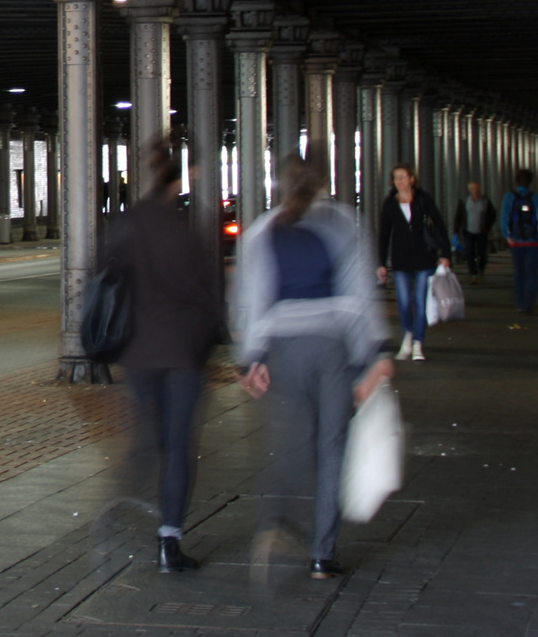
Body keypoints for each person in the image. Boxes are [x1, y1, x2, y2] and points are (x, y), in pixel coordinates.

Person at [237, 147, 393, 581]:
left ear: (280, 183)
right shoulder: (344, 222)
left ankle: (273, 523)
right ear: (324, 180)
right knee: (332, 449)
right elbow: (359, 295)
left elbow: (253, 299)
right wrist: (374, 357)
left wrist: (253, 359)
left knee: (291, 445)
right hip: (332, 348)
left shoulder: (262, 231)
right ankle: (323, 555)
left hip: (284, 350)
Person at [100, 140, 224, 573]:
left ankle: (119, 505)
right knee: (177, 446)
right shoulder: (187, 227)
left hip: (139, 350)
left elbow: (108, 274)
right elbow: (206, 294)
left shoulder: (128, 222)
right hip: (182, 352)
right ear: (182, 179)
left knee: (147, 437)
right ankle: (169, 540)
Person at [375, 164, 449, 361]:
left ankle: (418, 342)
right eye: (396, 177)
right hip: (400, 259)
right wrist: (381, 262)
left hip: (424, 257)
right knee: (404, 302)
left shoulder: (423, 200)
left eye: (403, 176)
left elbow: (439, 225)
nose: (399, 181)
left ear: (412, 179)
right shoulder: (390, 204)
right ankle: (407, 334)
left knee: (420, 299)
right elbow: (384, 234)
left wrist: (445, 253)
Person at [499, 170, 538, 313]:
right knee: (531, 272)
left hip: (516, 242)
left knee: (519, 272)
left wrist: (507, 236)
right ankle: (529, 302)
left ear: (516, 181)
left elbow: (504, 218)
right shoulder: (536, 197)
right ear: (530, 182)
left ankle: (520, 302)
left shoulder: (509, 197)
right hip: (533, 243)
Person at [453, 181, 496, 285]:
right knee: (469, 253)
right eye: (472, 189)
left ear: (480, 189)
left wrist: (487, 227)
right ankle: (473, 274)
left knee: (482, 253)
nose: (475, 191)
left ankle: (481, 270)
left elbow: (493, 214)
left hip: (482, 232)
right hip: (468, 232)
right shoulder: (464, 201)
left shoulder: (485, 201)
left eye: (476, 189)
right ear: (469, 190)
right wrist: (456, 231)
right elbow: (458, 216)